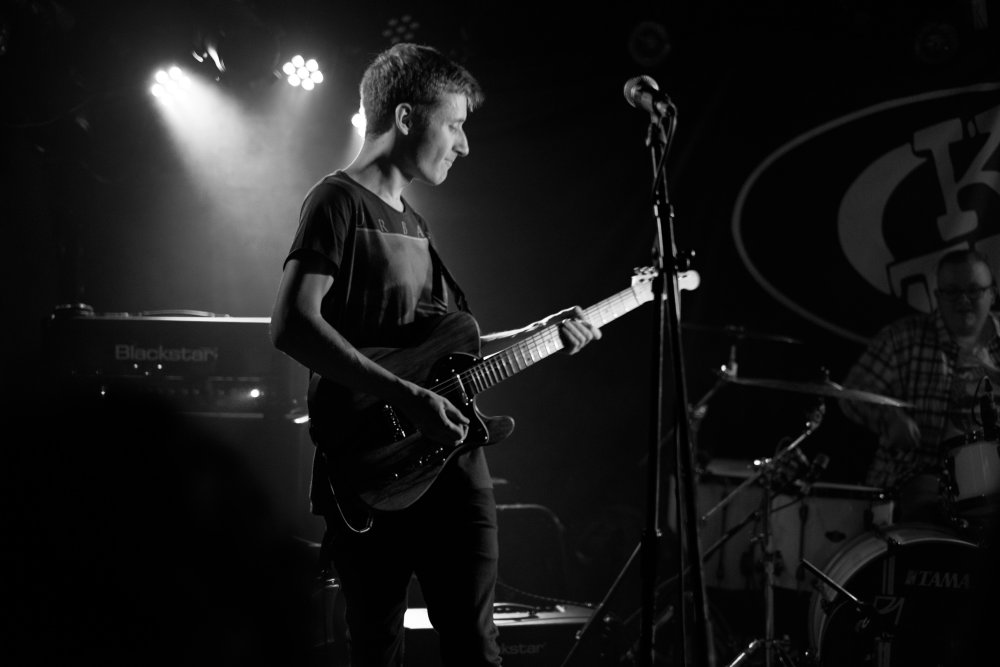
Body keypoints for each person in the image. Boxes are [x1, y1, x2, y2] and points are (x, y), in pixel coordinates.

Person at [269, 43, 601, 666]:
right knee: (377, 648)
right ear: (404, 117)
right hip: (371, 466)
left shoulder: (415, 224)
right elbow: (291, 325)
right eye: (454, 124)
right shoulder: (336, 202)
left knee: (477, 645)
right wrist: (406, 398)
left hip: (450, 464)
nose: (464, 145)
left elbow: (447, 356)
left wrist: (539, 332)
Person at [840, 247, 1000, 524]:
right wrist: (888, 417)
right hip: (913, 479)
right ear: (936, 296)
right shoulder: (902, 338)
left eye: (974, 290)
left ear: (992, 293)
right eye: (951, 291)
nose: (963, 300)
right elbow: (853, 392)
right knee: (923, 505)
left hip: (992, 483)